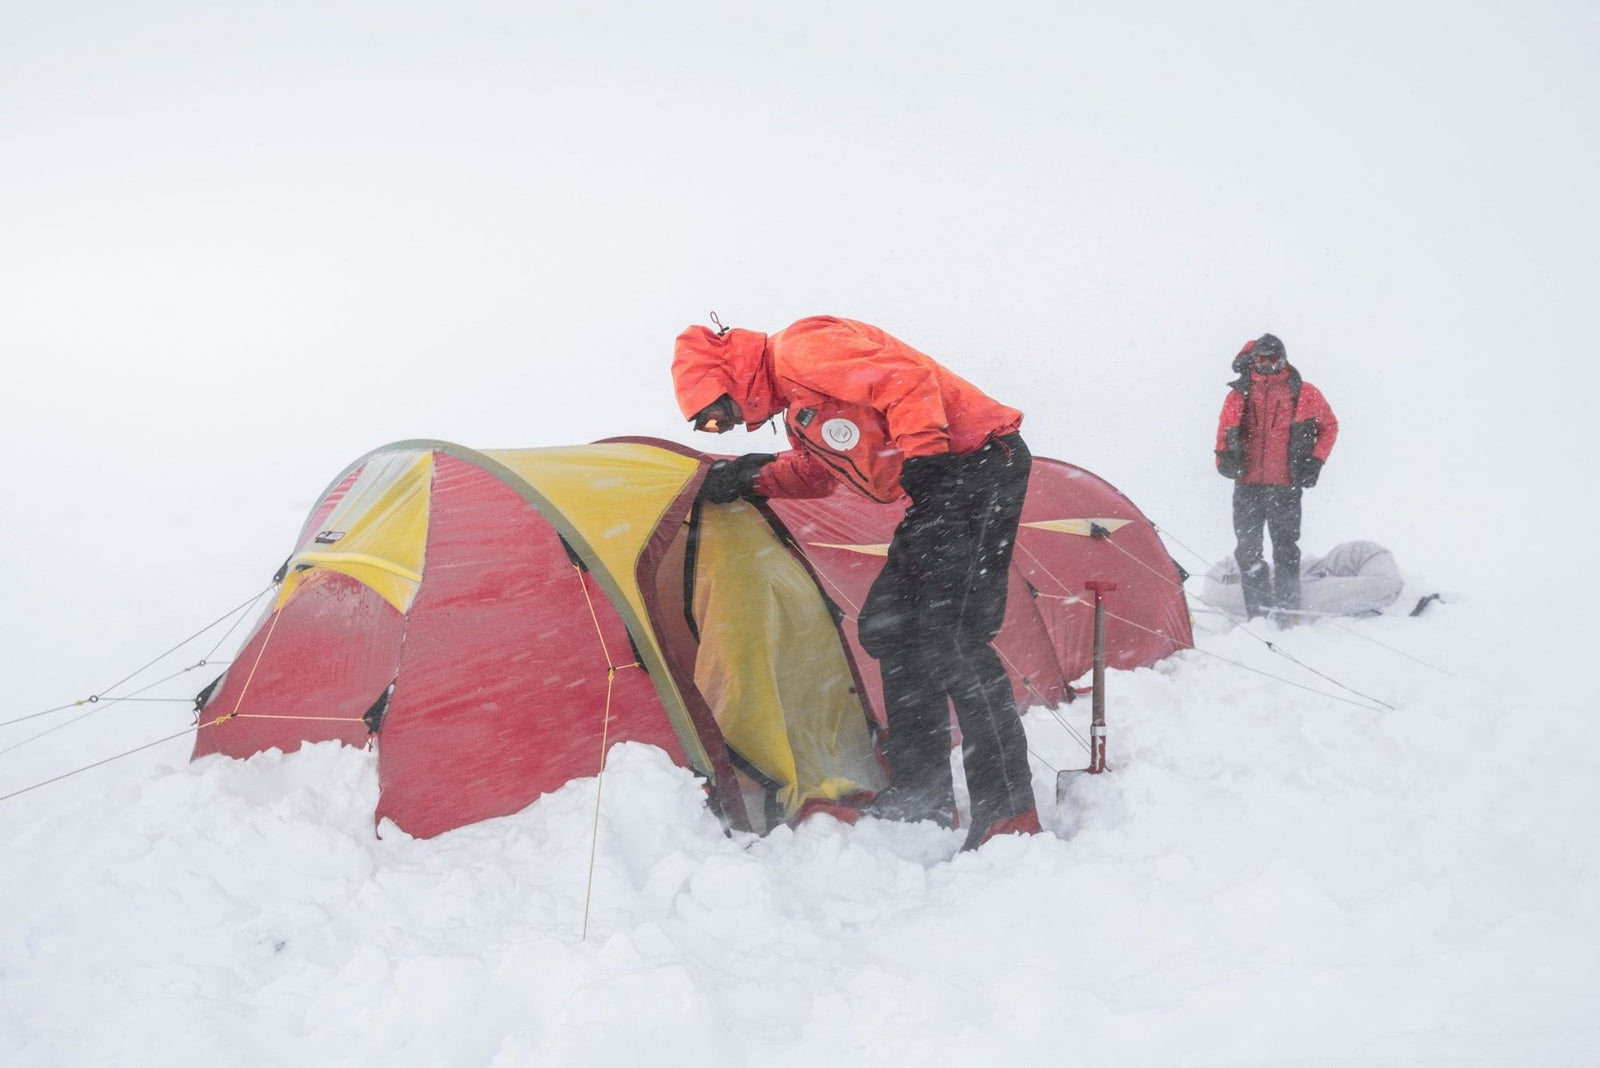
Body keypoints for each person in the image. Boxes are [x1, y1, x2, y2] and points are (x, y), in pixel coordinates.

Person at [672, 315, 1040, 849]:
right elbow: (817, 474)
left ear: (728, 382)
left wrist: (927, 457)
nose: (728, 425)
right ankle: (921, 795)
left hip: (973, 468)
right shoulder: (798, 408)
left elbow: (905, 380)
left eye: (718, 415)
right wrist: (747, 478)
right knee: (891, 629)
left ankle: (1008, 809)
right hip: (943, 485)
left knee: (949, 637)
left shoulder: (801, 349)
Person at [1214, 333, 1339, 624]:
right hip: (1247, 486)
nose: (1266, 364)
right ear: (1253, 359)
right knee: (1248, 551)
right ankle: (1257, 615)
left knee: (1285, 550)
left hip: (1286, 487)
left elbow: (1329, 426)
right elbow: (1223, 431)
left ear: (1283, 358)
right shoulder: (1238, 394)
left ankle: (1287, 614)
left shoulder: (1305, 393)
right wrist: (1223, 458)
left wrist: (1316, 460)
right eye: (1260, 358)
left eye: (1272, 358)